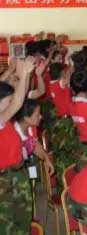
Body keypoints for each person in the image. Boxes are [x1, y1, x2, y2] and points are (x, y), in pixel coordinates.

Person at [0, 58, 36, 235]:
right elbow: (17, 103)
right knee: (9, 225)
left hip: (16, 176)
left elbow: (19, 98)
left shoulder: (4, 121)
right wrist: (24, 74)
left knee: (23, 223)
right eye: (8, 101)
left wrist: (25, 77)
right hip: (6, 182)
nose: (12, 103)